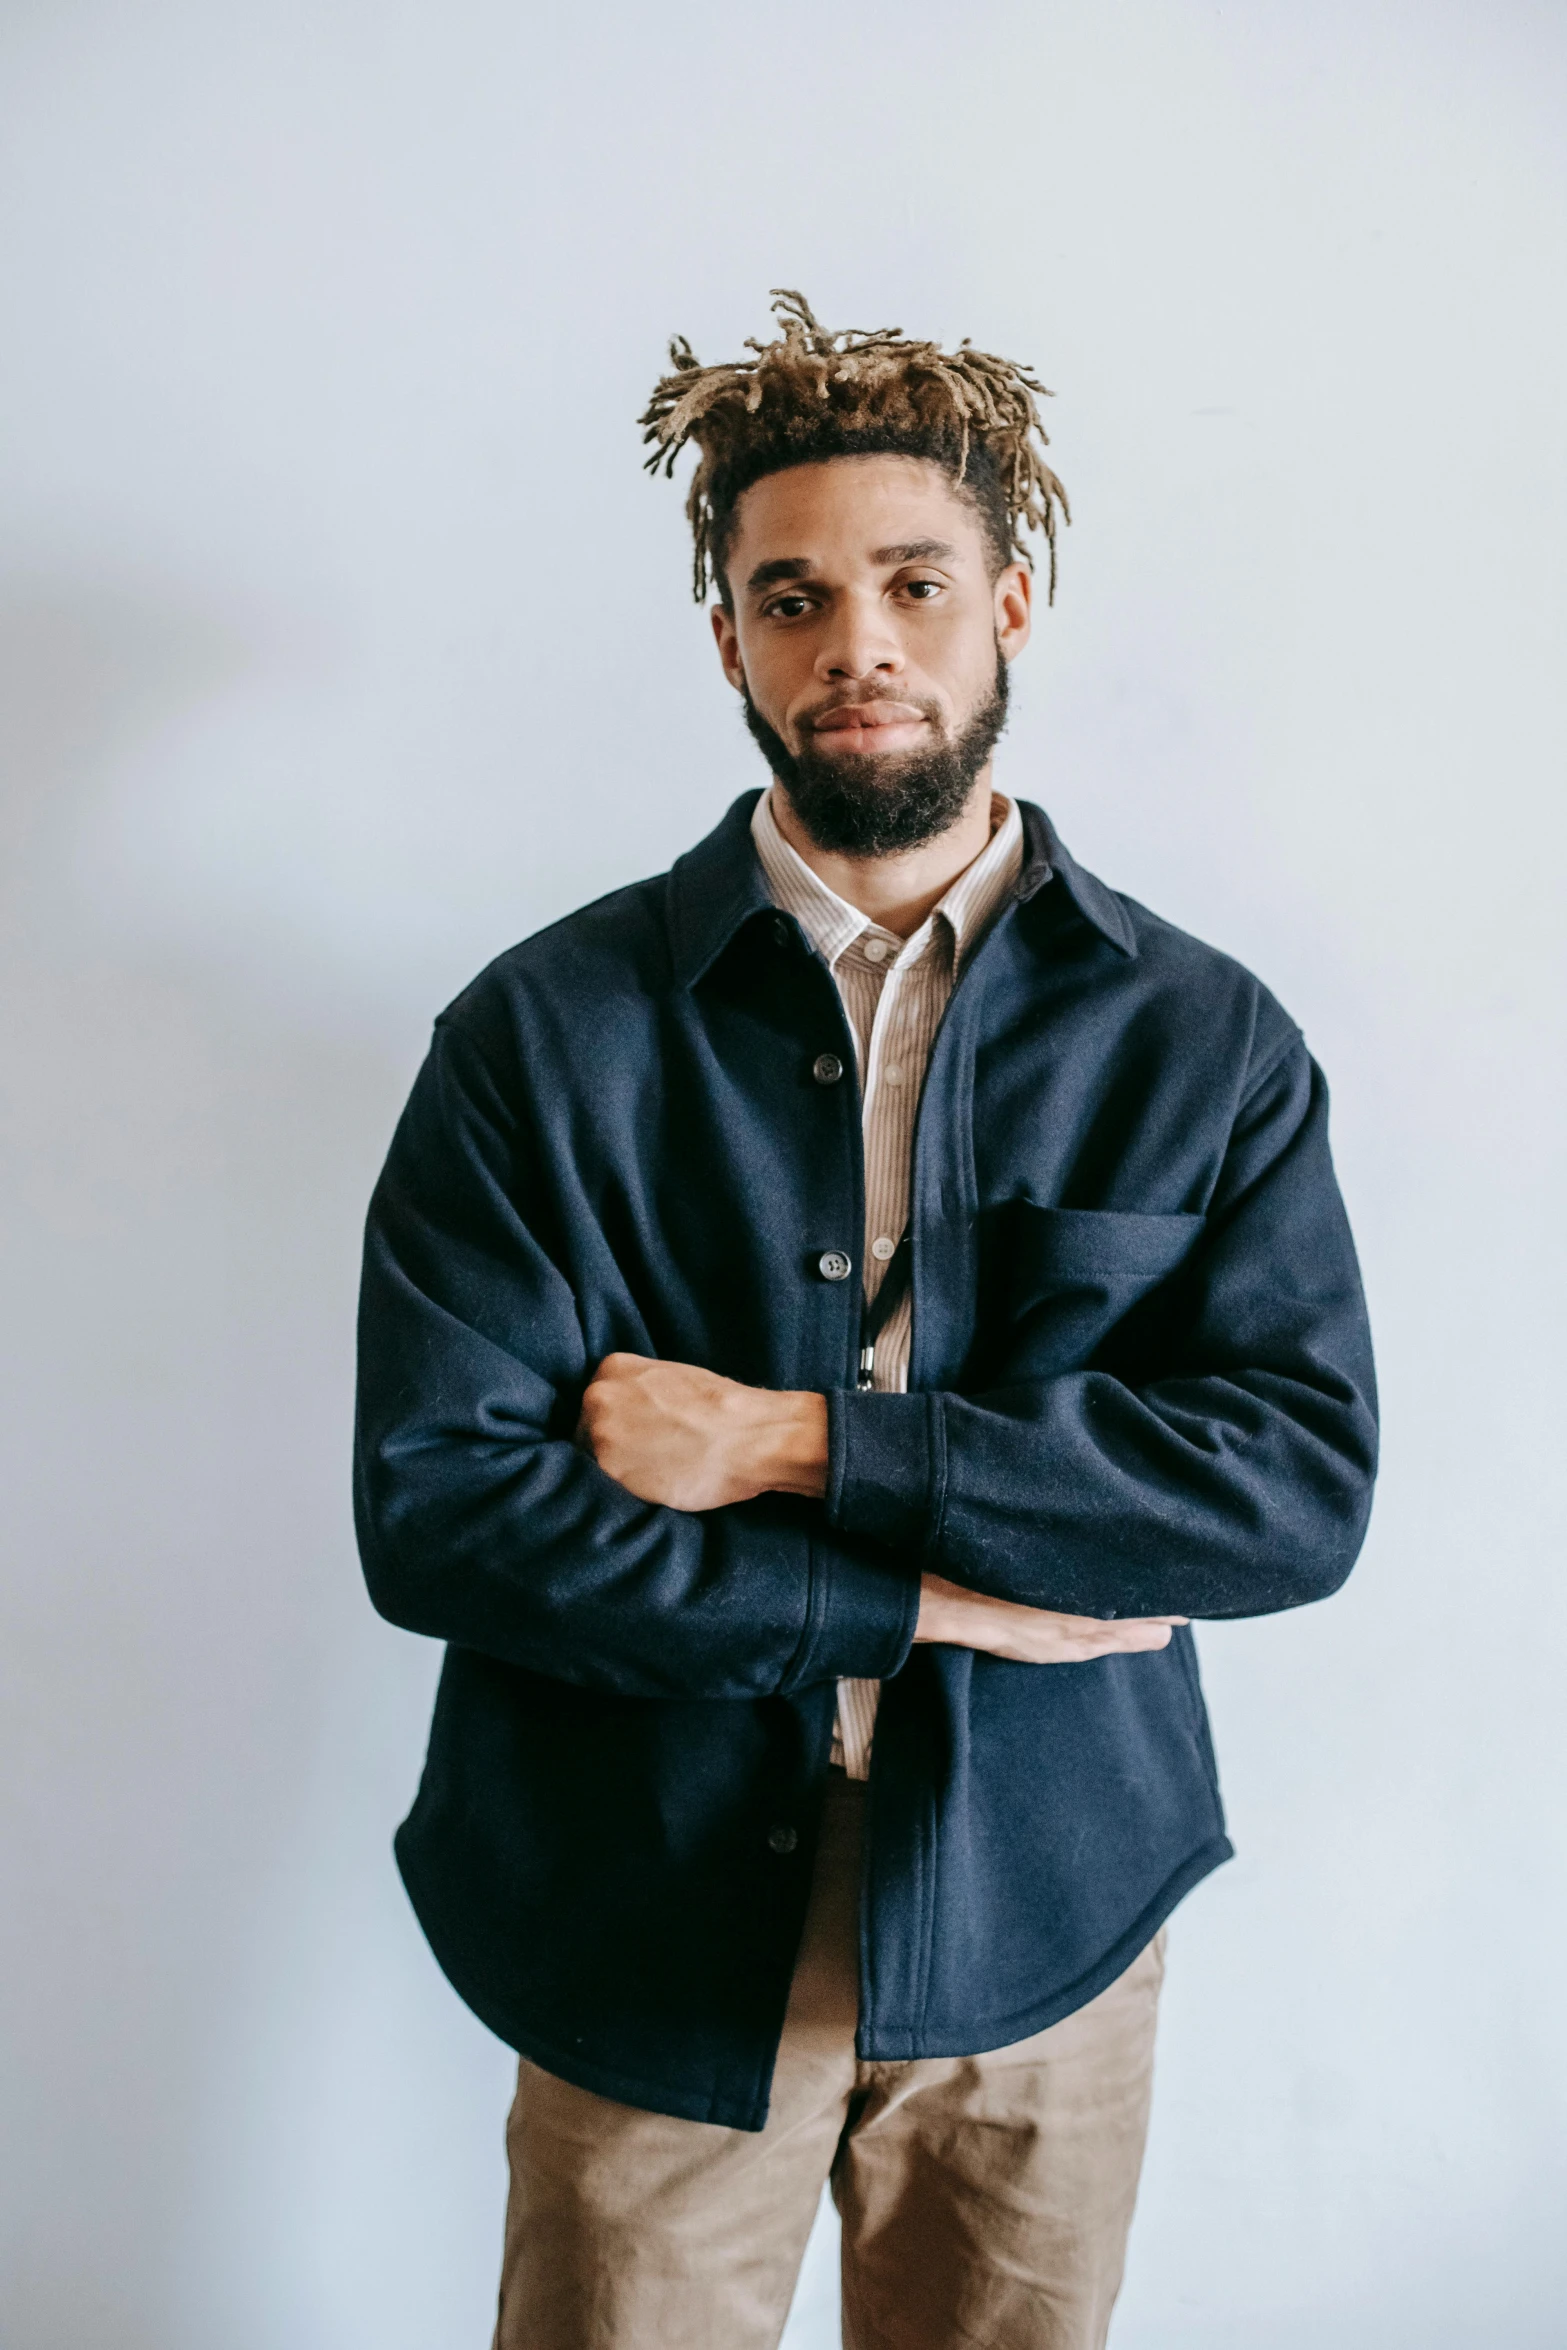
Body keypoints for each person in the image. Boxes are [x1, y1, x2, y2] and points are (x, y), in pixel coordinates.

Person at [354, 290, 1377, 2350]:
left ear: (1011, 597)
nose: (859, 645)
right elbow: (445, 1514)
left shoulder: (1204, 1038)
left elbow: (1287, 1495)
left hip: (1046, 1914)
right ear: (728, 638)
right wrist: (934, 1598)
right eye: (792, 594)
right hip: (641, 1920)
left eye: (912, 582)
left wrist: (797, 1444)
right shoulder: (539, 1039)